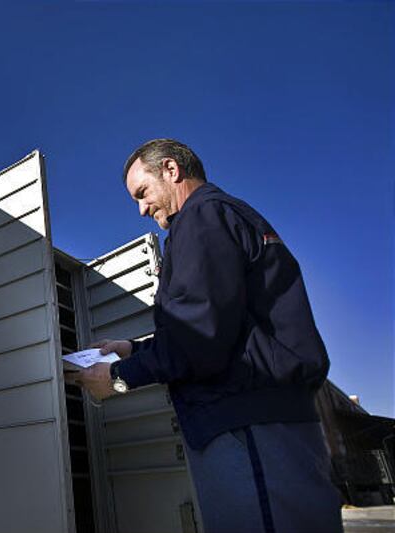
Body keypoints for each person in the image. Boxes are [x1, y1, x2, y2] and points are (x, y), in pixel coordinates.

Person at [73, 139, 342, 533]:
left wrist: (117, 377)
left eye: (142, 193)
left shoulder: (201, 218)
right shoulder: (228, 215)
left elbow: (199, 338)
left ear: (171, 170)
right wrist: (130, 349)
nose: (142, 208)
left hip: (246, 426)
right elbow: (220, 327)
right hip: (268, 420)